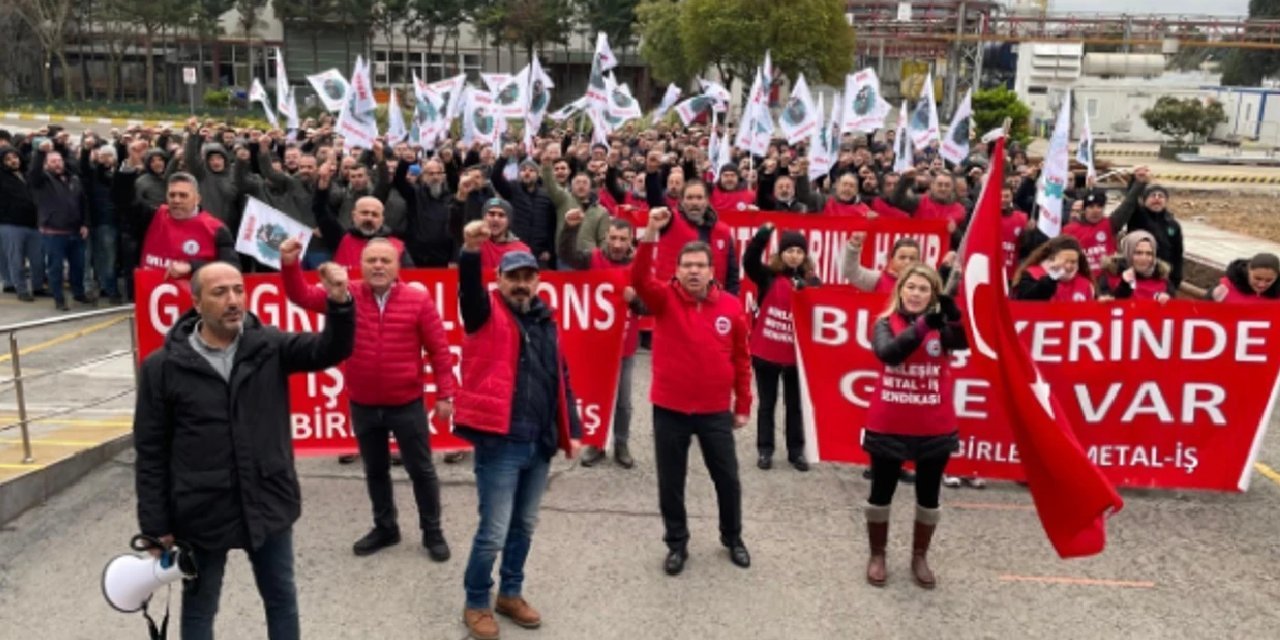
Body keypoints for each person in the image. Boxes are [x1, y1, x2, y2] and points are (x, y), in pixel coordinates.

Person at [133, 260, 355, 640]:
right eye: (220, 293)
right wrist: (156, 528)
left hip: (268, 500)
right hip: (201, 510)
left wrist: (340, 301)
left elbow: (329, 350)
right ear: (197, 303)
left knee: (281, 599)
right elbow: (151, 452)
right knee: (200, 607)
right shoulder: (162, 367)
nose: (233, 300)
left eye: (238, 290)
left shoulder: (269, 345)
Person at [279, 237, 457, 561]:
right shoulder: (344, 296)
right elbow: (300, 295)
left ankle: (433, 532)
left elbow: (439, 351)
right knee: (375, 471)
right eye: (371, 260)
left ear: (397, 266)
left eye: (385, 261)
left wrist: (445, 393)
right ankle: (385, 527)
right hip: (363, 402)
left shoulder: (418, 300)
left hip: (406, 403)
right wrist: (290, 264)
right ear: (360, 265)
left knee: (421, 471)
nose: (378, 266)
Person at [454, 223, 582, 640]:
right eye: (514, 278)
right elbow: (468, 291)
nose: (522, 285)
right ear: (499, 280)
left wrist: (572, 430)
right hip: (500, 442)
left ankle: (510, 593)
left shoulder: (547, 321)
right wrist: (472, 251)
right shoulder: (483, 312)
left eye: (528, 278)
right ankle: (476, 601)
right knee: (492, 532)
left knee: (524, 526)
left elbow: (561, 377)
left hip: (540, 442)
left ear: (538, 281)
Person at [633, 207, 753, 577]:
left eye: (701, 265)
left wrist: (743, 404)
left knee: (728, 479)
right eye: (688, 266)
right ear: (678, 270)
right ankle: (677, 542)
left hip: (715, 410)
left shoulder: (731, 307)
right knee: (672, 481)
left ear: (712, 270)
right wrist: (652, 230)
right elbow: (639, 277)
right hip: (669, 408)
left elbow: (741, 359)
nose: (695, 271)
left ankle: (732, 537)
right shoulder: (663, 299)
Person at [863, 264, 967, 589]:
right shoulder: (884, 323)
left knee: (929, 495)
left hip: (934, 425)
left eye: (924, 289)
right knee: (881, 492)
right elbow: (889, 354)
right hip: (889, 422)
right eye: (911, 287)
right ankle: (877, 554)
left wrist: (954, 317)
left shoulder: (941, 327)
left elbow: (961, 343)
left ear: (932, 294)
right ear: (901, 290)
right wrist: (923, 327)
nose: (916, 294)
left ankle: (919, 556)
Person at [559, 212, 644, 469]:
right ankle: (595, 444)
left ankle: (621, 443)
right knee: (594, 394)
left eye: (623, 239)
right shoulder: (591, 259)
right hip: (595, 344)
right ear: (606, 237)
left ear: (631, 241)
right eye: (614, 238)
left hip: (624, 346)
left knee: (623, 401)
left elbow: (651, 306)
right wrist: (570, 229)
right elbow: (566, 255)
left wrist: (635, 301)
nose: (617, 244)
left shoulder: (638, 266)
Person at [743, 224, 820, 472]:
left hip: (796, 357)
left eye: (799, 251)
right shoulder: (767, 276)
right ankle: (765, 450)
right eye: (789, 250)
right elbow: (749, 260)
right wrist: (763, 235)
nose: (794, 255)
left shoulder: (811, 281)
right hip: (766, 353)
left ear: (805, 256)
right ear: (781, 253)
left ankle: (796, 452)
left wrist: (808, 290)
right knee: (767, 404)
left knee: (794, 406)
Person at [138, 173, 237, 283]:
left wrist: (192, 266)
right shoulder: (154, 216)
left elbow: (232, 269)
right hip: (151, 293)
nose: (176, 200)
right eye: (172, 195)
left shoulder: (216, 229)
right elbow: (128, 205)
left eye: (183, 195)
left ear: (197, 199)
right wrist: (128, 170)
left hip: (197, 296)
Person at [647, 180, 740, 295]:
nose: (694, 202)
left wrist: (730, 305)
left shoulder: (723, 232)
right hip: (674, 299)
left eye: (699, 198)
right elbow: (656, 201)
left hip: (711, 301)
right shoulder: (671, 222)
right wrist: (652, 174)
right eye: (689, 198)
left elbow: (732, 275)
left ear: (707, 201)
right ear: (681, 201)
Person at [28, 142, 90, 311]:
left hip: (76, 232)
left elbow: (83, 203)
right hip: (53, 233)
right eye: (53, 161)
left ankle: (79, 293)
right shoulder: (42, 180)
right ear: (46, 164)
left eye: (59, 160)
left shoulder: (74, 179)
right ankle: (59, 298)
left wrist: (85, 223)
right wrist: (40, 152)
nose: (57, 163)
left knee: (78, 266)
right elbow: (34, 173)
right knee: (55, 268)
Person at [1111, 166, 1184, 289]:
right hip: (1137, 272)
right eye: (1153, 196)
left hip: (1161, 274)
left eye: (1160, 196)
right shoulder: (1137, 215)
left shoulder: (1173, 225)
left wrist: (1176, 277)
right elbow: (1130, 200)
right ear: (1144, 200)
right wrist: (1137, 180)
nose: (1157, 199)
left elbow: (1178, 253)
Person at [0, 144, 45, 301]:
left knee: (38, 258)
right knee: (16, 259)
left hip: (33, 224)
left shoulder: (26, 175)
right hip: (11, 225)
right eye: (8, 159)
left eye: (15, 157)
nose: (13, 161)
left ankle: (38, 287)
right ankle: (21, 289)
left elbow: (36, 169)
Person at [1011, 235, 1095, 302]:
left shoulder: (1085, 284)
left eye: (1073, 262)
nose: (1068, 266)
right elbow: (1026, 301)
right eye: (1065, 261)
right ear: (1052, 258)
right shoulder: (1032, 275)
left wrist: (1103, 304)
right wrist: (1053, 276)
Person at [1098, 230, 1174, 302]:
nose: (1144, 258)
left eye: (1149, 253)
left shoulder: (1162, 279)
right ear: (1128, 252)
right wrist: (1124, 285)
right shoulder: (1110, 276)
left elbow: (1174, 310)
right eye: (1138, 253)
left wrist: (1167, 300)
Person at [1210, 252, 1280, 303]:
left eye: (1269, 280)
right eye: (1257, 278)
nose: (1262, 284)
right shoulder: (1225, 289)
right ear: (1248, 271)